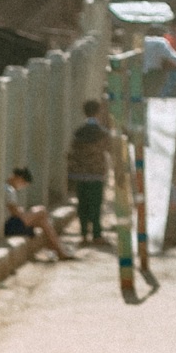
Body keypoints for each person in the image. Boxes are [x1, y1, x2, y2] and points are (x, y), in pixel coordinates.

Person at [67, 101, 114, 245]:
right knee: (95, 204)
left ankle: (83, 235)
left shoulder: (78, 132)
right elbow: (110, 150)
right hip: (96, 174)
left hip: (80, 174)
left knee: (82, 204)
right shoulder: (103, 133)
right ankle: (97, 234)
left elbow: (73, 153)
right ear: (98, 112)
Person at [2, 166, 66, 261]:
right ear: (19, 178)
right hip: (11, 225)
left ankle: (58, 251)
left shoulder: (6, 188)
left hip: (11, 224)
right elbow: (15, 213)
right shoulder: (9, 190)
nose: (22, 187)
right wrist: (26, 213)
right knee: (41, 211)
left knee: (43, 222)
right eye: (23, 184)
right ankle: (56, 250)